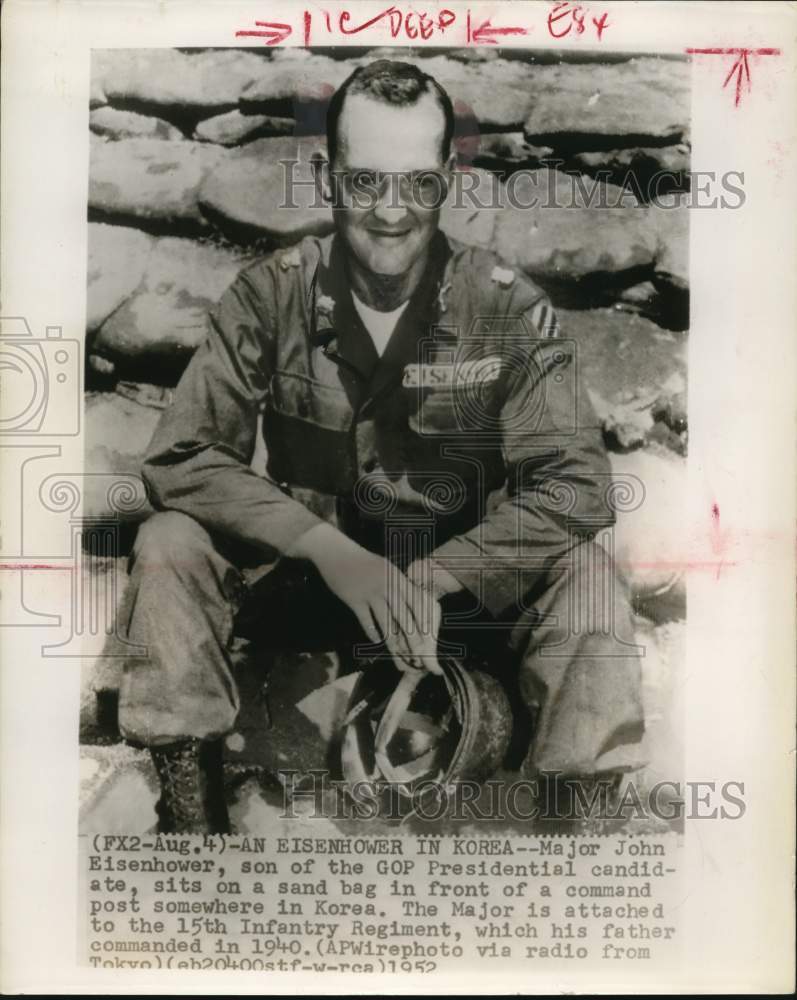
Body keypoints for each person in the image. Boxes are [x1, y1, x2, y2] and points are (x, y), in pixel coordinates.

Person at [118, 59, 644, 833]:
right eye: (365, 183)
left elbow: (576, 485)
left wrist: (440, 575)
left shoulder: (503, 305)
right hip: (313, 587)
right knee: (169, 542)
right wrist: (331, 554)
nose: (390, 211)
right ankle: (191, 820)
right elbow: (181, 456)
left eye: (416, 184)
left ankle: (580, 833)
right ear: (330, 178)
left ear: (446, 178)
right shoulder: (272, 295)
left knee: (588, 576)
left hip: (459, 600)